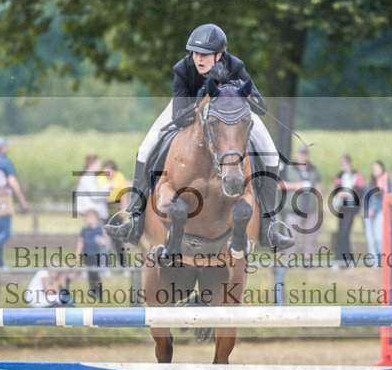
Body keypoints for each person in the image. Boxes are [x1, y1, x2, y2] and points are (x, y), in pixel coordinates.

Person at [105, 24, 293, 250]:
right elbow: (177, 117)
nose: (198, 59)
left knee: (271, 154)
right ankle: (134, 217)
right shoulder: (183, 69)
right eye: (195, 53)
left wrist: (237, 92)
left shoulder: (235, 66)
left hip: (233, 111)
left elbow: (260, 107)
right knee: (145, 148)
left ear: (219, 55)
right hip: (188, 111)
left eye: (204, 54)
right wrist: (203, 102)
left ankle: (269, 225)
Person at [0, 137, 28, 268]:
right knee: (5, 232)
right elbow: (12, 182)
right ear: (2, 148)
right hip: (3, 199)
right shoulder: (6, 163)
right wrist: (22, 200)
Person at [279, 144, 323, 258]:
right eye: (301, 153)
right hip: (294, 208)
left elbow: (318, 188)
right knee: (291, 235)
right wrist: (296, 186)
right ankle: (291, 259)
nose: (303, 156)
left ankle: (308, 259)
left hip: (311, 208)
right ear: (297, 154)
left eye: (305, 153)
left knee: (311, 236)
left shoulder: (313, 169)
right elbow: (279, 185)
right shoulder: (288, 168)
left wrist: (319, 205)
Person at [332, 154, 364, 264]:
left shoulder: (356, 175)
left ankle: (340, 258)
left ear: (350, 164)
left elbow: (360, 191)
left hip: (352, 208)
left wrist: (350, 193)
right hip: (342, 208)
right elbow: (337, 190)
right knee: (342, 232)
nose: (343, 166)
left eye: (345, 164)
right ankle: (344, 258)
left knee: (344, 232)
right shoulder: (340, 175)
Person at [101, 160, 130, 267]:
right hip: (105, 213)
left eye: (110, 170)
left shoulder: (119, 177)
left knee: (118, 240)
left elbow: (124, 194)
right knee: (106, 240)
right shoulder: (100, 179)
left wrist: (123, 210)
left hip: (117, 213)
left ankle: (123, 265)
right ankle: (107, 265)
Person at [363, 161, 390, 264]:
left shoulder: (386, 181)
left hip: (379, 212)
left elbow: (385, 197)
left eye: (377, 168)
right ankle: (373, 261)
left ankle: (383, 259)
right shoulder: (371, 183)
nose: (375, 170)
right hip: (368, 212)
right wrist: (366, 209)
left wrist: (374, 210)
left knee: (379, 237)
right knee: (370, 238)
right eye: (373, 168)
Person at [77, 209, 108, 299]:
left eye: (92, 218)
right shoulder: (84, 230)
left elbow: (103, 240)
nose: (89, 220)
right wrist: (77, 255)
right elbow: (80, 243)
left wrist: (102, 241)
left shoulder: (98, 229)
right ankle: (93, 292)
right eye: (88, 218)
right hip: (87, 255)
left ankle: (100, 293)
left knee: (96, 275)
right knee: (90, 274)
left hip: (96, 255)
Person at [74, 155, 109, 221]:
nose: (100, 167)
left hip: (90, 210)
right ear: (91, 164)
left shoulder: (89, 175)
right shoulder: (89, 177)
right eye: (99, 164)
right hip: (91, 211)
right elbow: (95, 195)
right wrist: (108, 187)